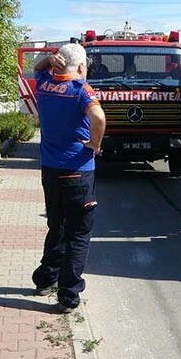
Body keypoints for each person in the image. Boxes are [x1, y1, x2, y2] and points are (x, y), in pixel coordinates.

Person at [31, 43, 107, 313]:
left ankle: (45, 278)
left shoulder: (43, 83)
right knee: (78, 234)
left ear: (57, 63)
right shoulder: (81, 90)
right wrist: (95, 145)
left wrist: (48, 60)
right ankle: (68, 292)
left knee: (57, 225)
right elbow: (98, 117)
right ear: (83, 67)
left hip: (50, 170)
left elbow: (36, 66)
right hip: (78, 172)